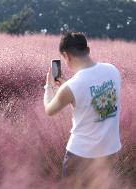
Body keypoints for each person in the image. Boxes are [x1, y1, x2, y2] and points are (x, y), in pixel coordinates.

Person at [43, 32, 121, 180]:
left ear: (66, 56)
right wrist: (68, 86)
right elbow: (89, 91)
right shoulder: (112, 70)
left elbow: (49, 110)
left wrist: (49, 87)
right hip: (109, 152)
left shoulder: (72, 87)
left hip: (80, 156)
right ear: (88, 50)